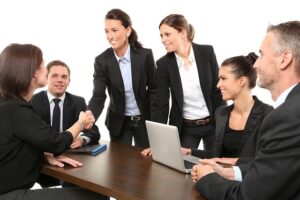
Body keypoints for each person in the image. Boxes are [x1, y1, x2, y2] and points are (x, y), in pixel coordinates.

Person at [192, 20, 300, 200]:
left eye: (262, 54)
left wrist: (207, 178)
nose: (256, 64)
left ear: (284, 59)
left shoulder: (284, 117)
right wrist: (231, 172)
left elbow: (248, 197)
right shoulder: (291, 110)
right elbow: (279, 164)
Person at [0, 44, 108, 199]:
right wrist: (81, 123)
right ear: (32, 73)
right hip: (9, 194)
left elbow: (16, 144)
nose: (46, 69)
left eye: (64, 77)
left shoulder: (8, 105)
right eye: (43, 66)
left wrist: (44, 154)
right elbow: (56, 142)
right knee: (98, 197)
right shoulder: (18, 109)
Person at [142, 14, 224, 155]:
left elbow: (218, 91)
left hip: (212, 124)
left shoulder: (207, 52)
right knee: (182, 168)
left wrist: (225, 123)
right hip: (186, 127)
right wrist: (157, 142)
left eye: (167, 34)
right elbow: (161, 104)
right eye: (161, 36)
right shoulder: (163, 64)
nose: (163, 40)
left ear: (183, 32)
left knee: (217, 164)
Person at [181, 53, 273, 162]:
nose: (218, 85)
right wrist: (190, 152)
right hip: (221, 177)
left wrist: (232, 164)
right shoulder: (221, 114)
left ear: (241, 81)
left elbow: (267, 162)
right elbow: (217, 156)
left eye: (223, 78)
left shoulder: (268, 115)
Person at [88, 8, 156, 148]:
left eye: (114, 30)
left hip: (144, 120)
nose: (110, 36)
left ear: (128, 30)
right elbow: (98, 95)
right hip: (118, 121)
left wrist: (156, 121)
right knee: (119, 165)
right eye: (107, 31)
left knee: (147, 164)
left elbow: (155, 89)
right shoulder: (102, 61)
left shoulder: (145, 56)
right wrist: (90, 115)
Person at [31, 60, 101, 188]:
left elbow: (94, 131)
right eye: (54, 76)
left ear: (69, 81)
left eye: (64, 77)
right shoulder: (33, 101)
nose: (60, 80)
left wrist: (82, 140)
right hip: (42, 160)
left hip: (68, 159)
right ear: (46, 78)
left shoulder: (77, 102)